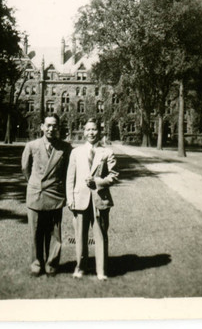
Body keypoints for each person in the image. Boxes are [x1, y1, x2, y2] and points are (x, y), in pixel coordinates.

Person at [66, 118, 118, 281]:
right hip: (80, 199)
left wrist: (97, 182)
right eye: (88, 129)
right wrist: (70, 199)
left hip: (99, 199)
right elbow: (70, 178)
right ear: (84, 131)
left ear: (99, 131)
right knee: (80, 236)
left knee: (100, 235)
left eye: (94, 129)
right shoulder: (76, 152)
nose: (91, 133)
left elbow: (114, 176)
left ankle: (101, 270)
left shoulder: (107, 152)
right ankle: (81, 267)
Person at [21, 114, 71, 277]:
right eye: (48, 125)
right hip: (36, 193)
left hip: (55, 194)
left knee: (55, 233)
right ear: (42, 126)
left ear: (58, 127)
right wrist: (35, 184)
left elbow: (67, 173)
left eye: (54, 126)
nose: (51, 129)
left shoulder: (65, 148)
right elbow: (25, 168)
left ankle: (51, 264)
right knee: (35, 232)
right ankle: (36, 264)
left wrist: (58, 187)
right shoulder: (32, 146)